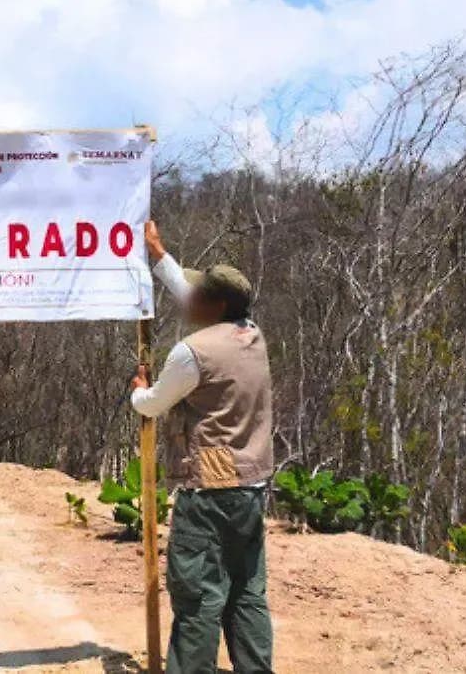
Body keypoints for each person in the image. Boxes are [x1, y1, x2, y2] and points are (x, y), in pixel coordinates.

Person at [131, 220, 275, 674]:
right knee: (247, 592)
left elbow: (154, 406)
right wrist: (160, 255)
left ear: (212, 305)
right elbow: (190, 293)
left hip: (209, 488)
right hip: (252, 484)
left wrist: (138, 391)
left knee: (198, 597)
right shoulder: (251, 334)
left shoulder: (191, 352)